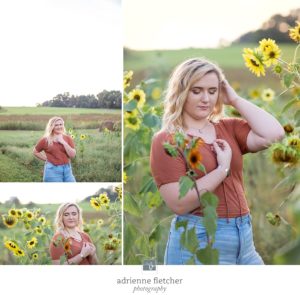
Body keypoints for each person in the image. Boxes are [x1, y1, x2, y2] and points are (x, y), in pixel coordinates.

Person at [150, 58, 285, 265]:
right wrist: (222, 169)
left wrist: (235, 99)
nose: (206, 99)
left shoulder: (227, 128)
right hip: (200, 241)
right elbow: (178, 202)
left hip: (244, 240)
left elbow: (274, 135)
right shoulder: (167, 140)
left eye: (212, 91)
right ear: (181, 92)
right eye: (197, 91)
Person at [33, 117, 76, 182]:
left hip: (67, 170)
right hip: (52, 170)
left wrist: (63, 142)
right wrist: (46, 159)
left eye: (61, 124)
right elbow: (35, 152)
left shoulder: (68, 138)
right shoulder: (45, 140)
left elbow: (72, 155)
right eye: (56, 125)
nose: (59, 127)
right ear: (51, 126)